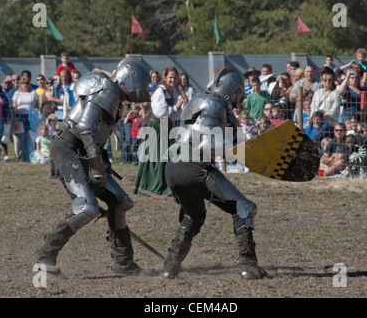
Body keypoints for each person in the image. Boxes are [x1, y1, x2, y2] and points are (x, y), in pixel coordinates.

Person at [34, 57, 150, 275]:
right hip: (69, 149)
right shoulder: (108, 89)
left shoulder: (116, 98)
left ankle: (123, 263)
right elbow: (85, 128)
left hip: (87, 152)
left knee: (121, 202)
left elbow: (95, 137)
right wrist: (97, 168)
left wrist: (100, 165)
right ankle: (45, 257)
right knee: (87, 208)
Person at [162, 67, 268, 280]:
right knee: (244, 207)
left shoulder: (198, 99)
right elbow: (212, 143)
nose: (240, 100)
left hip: (172, 166)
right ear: (233, 90)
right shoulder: (215, 104)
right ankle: (248, 266)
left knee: (194, 215)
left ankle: (170, 267)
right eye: (239, 94)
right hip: (194, 166)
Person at [133, 66, 184, 197]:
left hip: (167, 127)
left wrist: (177, 110)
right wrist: (175, 107)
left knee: (165, 157)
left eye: (175, 77)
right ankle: (149, 186)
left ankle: (166, 185)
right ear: (165, 78)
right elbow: (160, 112)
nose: (173, 79)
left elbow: (174, 115)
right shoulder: (160, 92)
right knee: (154, 157)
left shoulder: (173, 92)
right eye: (170, 77)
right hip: (156, 126)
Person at [12, 75, 38, 162]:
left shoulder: (33, 93)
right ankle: (25, 158)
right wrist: (14, 118)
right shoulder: (17, 93)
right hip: (20, 117)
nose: (25, 85)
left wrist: (36, 117)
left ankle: (32, 157)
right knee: (22, 138)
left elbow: (37, 106)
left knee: (30, 138)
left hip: (31, 117)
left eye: (26, 83)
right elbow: (14, 106)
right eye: (22, 83)